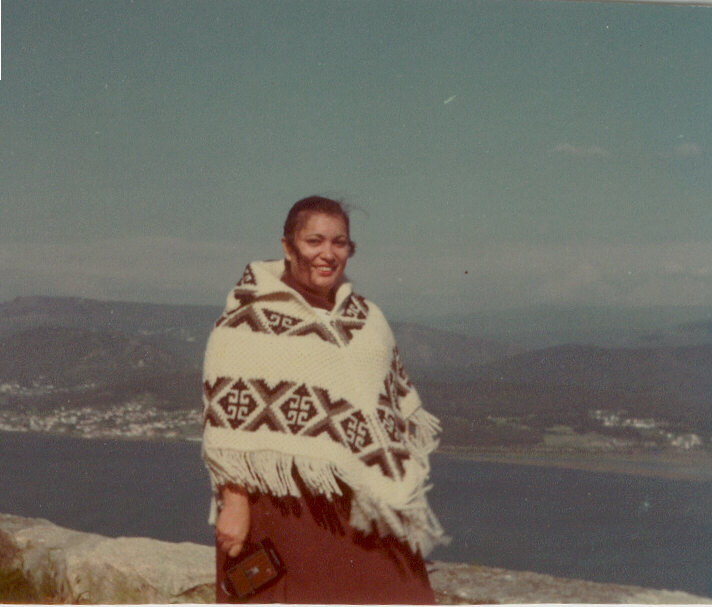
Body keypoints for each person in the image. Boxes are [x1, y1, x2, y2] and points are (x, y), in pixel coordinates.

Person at [201, 195, 446, 603]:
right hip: (286, 513)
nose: (328, 254)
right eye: (315, 241)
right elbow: (226, 425)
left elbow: (386, 413)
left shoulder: (368, 320)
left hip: (364, 510)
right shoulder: (244, 323)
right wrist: (234, 502)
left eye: (340, 242)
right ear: (287, 246)